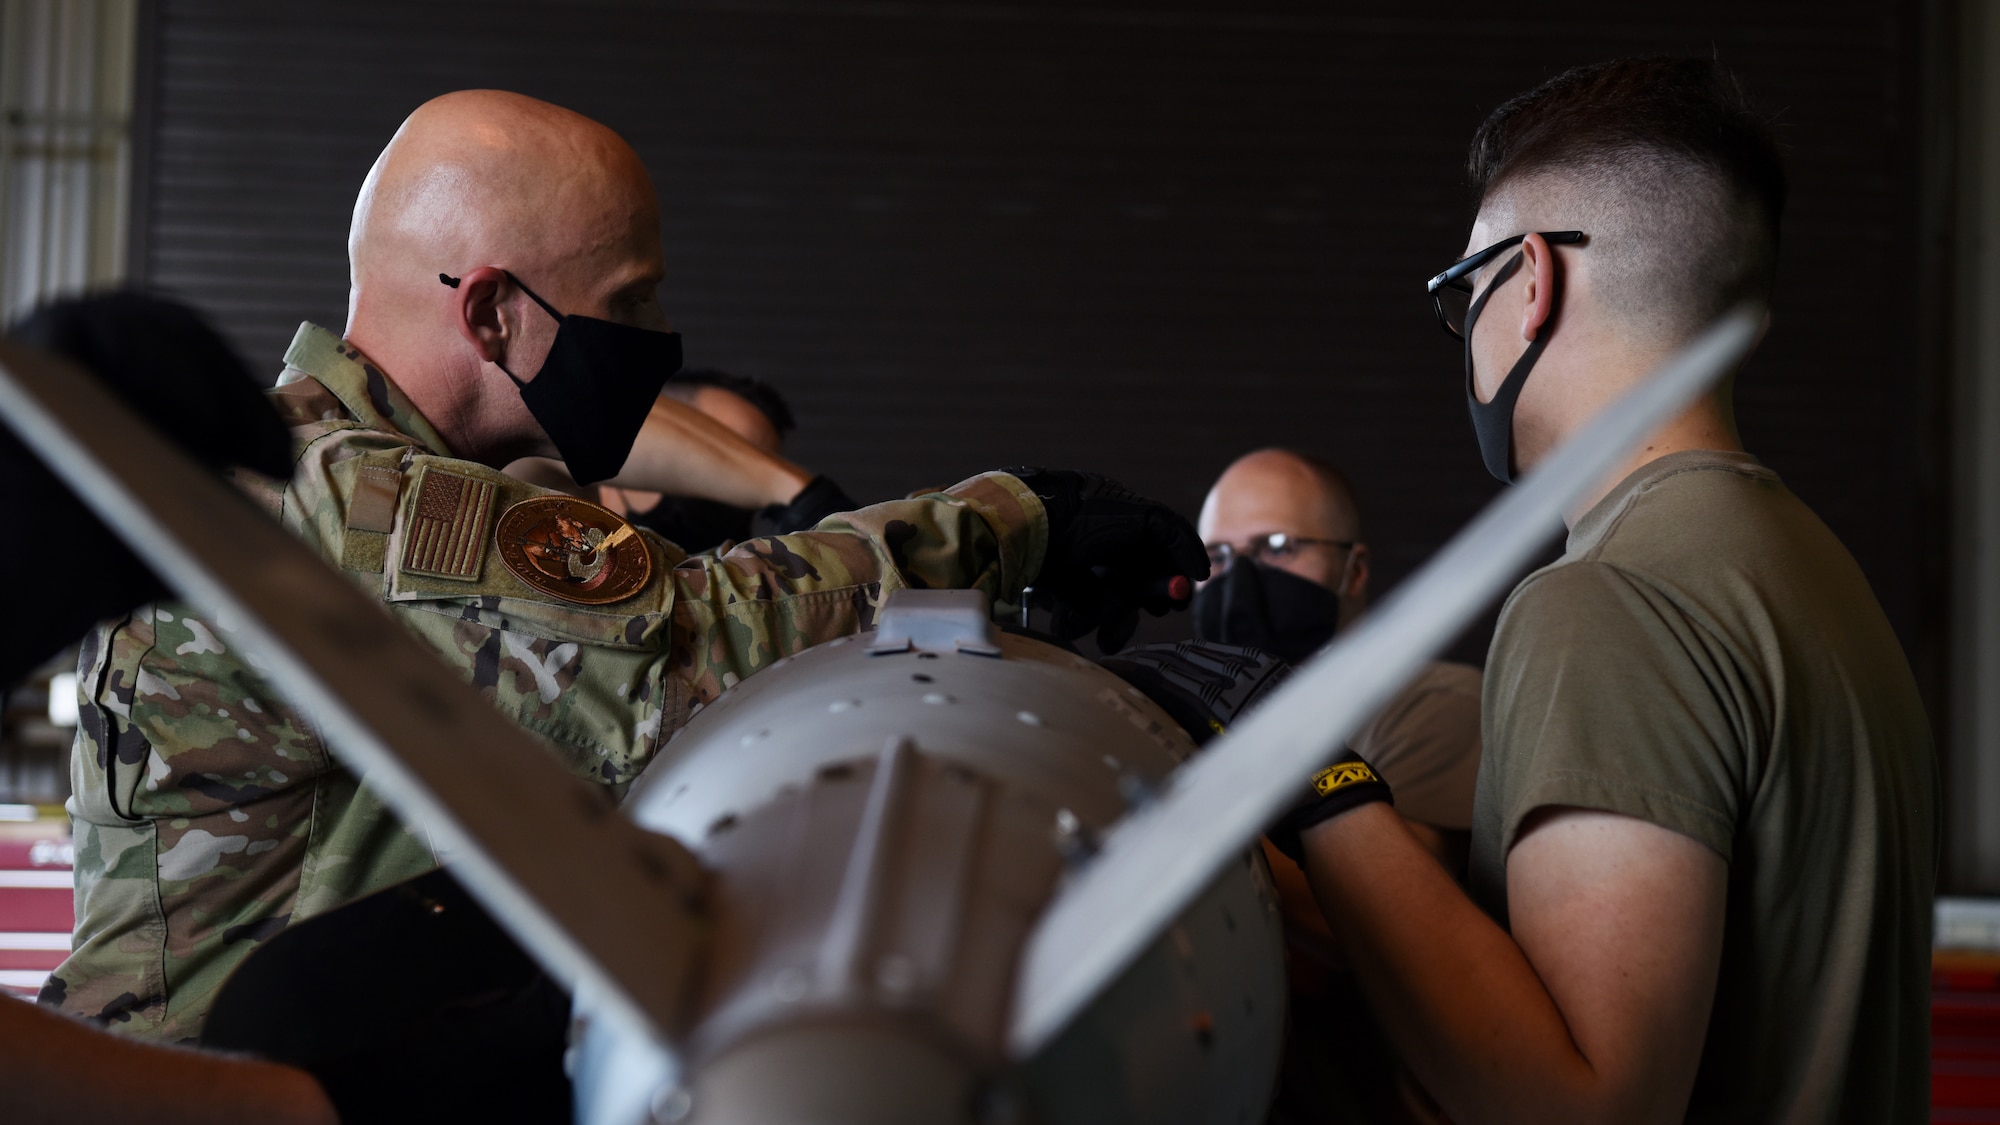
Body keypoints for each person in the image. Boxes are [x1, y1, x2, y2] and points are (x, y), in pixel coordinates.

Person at [42, 89, 1203, 1043]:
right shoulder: (354, 495)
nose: (655, 338)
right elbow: (691, 653)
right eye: (627, 303)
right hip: (211, 1086)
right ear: (492, 315)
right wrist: (1011, 521)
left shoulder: (373, 473)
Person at [1282, 57, 1938, 1124]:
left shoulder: (1606, 600)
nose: (1462, 340)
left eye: (1462, 298)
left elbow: (1580, 1105)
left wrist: (1313, 780)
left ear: (1528, 280)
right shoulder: (1805, 569)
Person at [1192, 448, 1477, 1125]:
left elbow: (1375, 928)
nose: (1241, 581)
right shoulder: (1199, 722)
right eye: (1218, 558)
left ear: (1354, 569)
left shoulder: (1430, 703)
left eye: (1279, 547)